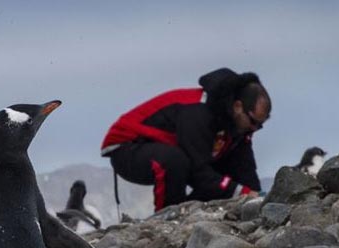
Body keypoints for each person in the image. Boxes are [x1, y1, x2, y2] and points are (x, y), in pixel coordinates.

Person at [101, 68, 271, 211]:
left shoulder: (237, 128)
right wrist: (241, 192)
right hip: (126, 148)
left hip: (169, 148)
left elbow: (244, 168)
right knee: (177, 161)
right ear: (238, 106)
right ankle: (168, 218)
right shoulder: (198, 112)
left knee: (223, 170)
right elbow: (198, 170)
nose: (254, 129)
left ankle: (193, 212)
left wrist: (258, 198)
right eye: (253, 122)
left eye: (260, 125)